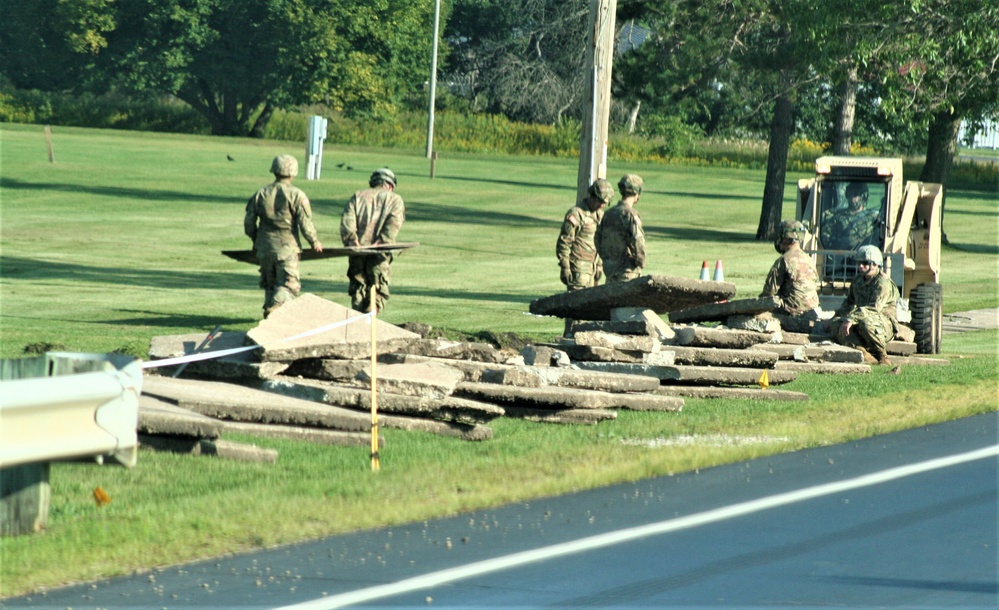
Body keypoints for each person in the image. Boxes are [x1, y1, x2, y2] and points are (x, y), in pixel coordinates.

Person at [244, 154, 322, 318]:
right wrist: (314, 242)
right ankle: (276, 308)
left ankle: (270, 320)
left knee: (270, 285)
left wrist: (256, 239)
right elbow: (305, 224)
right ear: (293, 172)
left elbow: (249, 223)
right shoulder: (296, 195)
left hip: (264, 248)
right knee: (288, 286)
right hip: (287, 248)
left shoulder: (261, 193)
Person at [340, 167, 405, 312]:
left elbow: (347, 221)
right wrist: (382, 242)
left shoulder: (358, 196)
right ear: (389, 185)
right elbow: (394, 223)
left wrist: (352, 242)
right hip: (380, 254)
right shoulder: (395, 200)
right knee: (377, 291)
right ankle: (370, 325)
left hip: (358, 251)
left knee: (358, 289)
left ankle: (359, 323)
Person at [828, 244, 900, 364]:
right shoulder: (858, 280)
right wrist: (834, 318)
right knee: (836, 324)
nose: (861, 266)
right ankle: (863, 352)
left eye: (865, 263)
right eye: (859, 263)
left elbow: (873, 309)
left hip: (883, 324)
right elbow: (848, 303)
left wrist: (851, 319)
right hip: (861, 319)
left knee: (866, 322)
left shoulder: (883, 283)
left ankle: (882, 356)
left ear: (876, 264)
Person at [760, 220, 821, 333]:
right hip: (811, 311)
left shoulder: (784, 260)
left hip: (791, 313)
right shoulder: (809, 259)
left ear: (784, 237)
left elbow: (769, 294)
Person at [557, 178, 614, 290]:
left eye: (604, 203)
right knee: (576, 305)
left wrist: (599, 265)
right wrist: (565, 267)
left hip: (592, 270)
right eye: (600, 201)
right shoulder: (577, 214)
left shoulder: (600, 216)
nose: (602, 205)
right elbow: (565, 242)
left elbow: (601, 242)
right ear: (592, 196)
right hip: (578, 269)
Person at [595, 174, 646, 282]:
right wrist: (640, 262)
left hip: (610, 271)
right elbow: (638, 241)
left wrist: (607, 259)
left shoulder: (608, 214)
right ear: (636, 193)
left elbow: (598, 238)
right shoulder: (631, 215)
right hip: (627, 272)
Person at [820, 182, 879, 250]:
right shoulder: (837, 218)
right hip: (841, 256)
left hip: (865, 256)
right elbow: (825, 237)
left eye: (855, 194)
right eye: (849, 194)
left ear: (864, 197)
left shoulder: (873, 218)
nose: (852, 197)